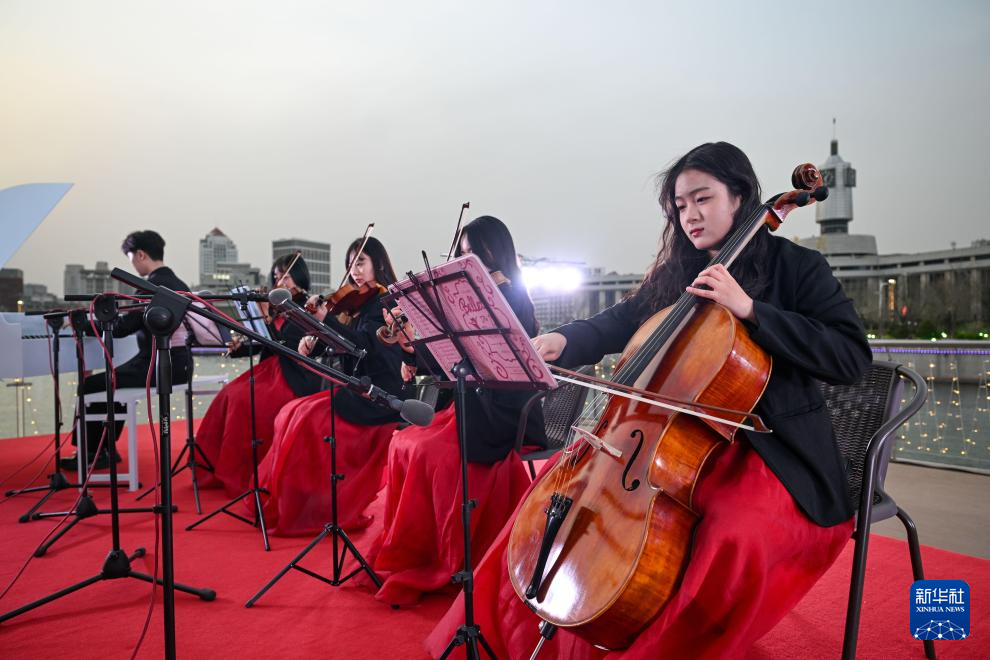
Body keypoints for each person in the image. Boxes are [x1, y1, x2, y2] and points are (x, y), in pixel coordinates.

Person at [425, 142, 872, 659]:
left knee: (728, 535)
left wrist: (749, 309)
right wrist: (565, 339)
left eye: (702, 199)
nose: (690, 216)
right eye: (680, 207)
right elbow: (622, 319)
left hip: (770, 452)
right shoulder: (679, 272)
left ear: (741, 195)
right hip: (672, 446)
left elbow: (850, 355)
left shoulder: (798, 268)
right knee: (551, 500)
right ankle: (511, 634)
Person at [368, 215, 547, 606]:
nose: (466, 261)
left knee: (431, 453)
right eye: (462, 253)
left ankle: (447, 558)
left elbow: (495, 361)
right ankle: (415, 550)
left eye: (474, 253)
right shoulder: (470, 296)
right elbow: (455, 359)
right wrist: (413, 347)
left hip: (505, 408)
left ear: (494, 252)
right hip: (475, 402)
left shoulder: (510, 294)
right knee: (405, 442)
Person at [257, 237, 410, 535]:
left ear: (378, 263)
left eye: (361, 262)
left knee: (306, 419)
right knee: (292, 411)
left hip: (380, 391)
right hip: (357, 385)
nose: (354, 270)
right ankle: (296, 500)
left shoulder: (387, 302)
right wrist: (313, 341)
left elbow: (362, 345)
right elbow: (338, 343)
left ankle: (318, 507)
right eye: (351, 263)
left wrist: (325, 321)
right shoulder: (357, 303)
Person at [61, 230, 191, 470]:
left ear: (140, 254)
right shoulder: (179, 283)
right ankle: (105, 449)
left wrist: (85, 323)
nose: (131, 263)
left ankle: (92, 453)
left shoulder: (150, 286)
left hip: (160, 365)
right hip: (181, 363)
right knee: (114, 380)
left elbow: (121, 327)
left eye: (131, 257)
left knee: (90, 385)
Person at [197, 254, 322, 496]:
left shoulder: (308, 305)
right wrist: (240, 348)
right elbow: (264, 343)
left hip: (292, 375)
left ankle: (244, 472)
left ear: (298, 277)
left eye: (285, 276)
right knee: (229, 394)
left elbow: (287, 345)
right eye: (276, 277)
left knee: (244, 401)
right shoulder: (278, 305)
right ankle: (213, 467)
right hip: (269, 370)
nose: (280, 281)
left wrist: (265, 317)